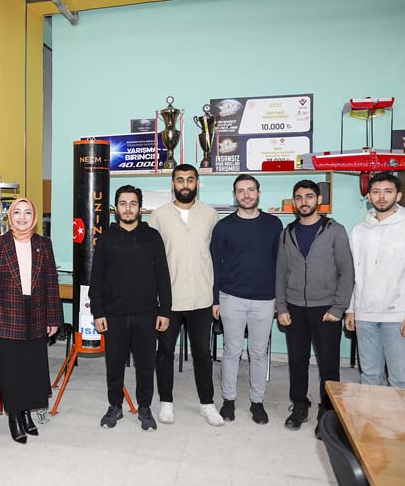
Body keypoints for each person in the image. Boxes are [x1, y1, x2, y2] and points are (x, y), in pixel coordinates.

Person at [89, 185, 171, 431]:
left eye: (133, 203)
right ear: (116, 208)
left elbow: (163, 276)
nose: (128, 208)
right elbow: (96, 278)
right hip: (113, 315)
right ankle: (115, 406)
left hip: (146, 314)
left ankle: (144, 407)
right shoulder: (106, 238)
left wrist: (165, 311)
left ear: (140, 208)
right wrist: (98, 312)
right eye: (123, 203)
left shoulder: (152, 237)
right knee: (114, 366)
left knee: (146, 365)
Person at [0, 198, 62, 444]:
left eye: (27, 212)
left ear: (34, 217)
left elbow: (51, 282)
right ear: (10, 216)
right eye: (17, 212)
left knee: (30, 369)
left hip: (36, 315)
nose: (22, 217)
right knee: (10, 370)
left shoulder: (43, 244)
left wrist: (54, 317)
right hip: (5, 316)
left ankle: (26, 413)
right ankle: (14, 416)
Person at [275, 180, 354, 437]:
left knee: (329, 365)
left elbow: (347, 272)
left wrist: (339, 308)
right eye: (298, 197)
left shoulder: (335, 230)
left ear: (318, 200)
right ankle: (300, 405)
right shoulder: (287, 233)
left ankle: (328, 412)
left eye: (309, 196)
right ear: (294, 202)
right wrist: (281, 307)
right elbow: (281, 272)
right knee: (297, 361)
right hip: (295, 308)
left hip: (326, 309)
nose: (304, 202)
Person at [149, 163, 223, 426]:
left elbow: (216, 256)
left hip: (201, 297)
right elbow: (151, 260)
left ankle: (207, 403)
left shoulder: (210, 215)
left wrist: (216, 297)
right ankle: (166, 402)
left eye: (190, 180)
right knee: (165, 352)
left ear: (197, 183)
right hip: (169, 299)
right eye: (180, 180)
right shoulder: (158, 216)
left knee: (202, 353)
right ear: (173, 184)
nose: (185, 185)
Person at [345, 171, 405, 389]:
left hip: (398, 316)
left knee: (400, 379)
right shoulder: (359, 230)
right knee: (369, 376)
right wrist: (351, 309)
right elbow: (354, 274)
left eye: (388, 191)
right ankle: (371, 413)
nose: (381, 197)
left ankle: (404, 414)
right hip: (365, 314)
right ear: (369, 196)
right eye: (376, 192)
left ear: (398, 196)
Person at [210, 174, 282, 425]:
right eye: (240, 191)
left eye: (250, 190)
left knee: (259, 352)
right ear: (235, 195)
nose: (246, 195)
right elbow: (215, 265)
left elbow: (280, 262)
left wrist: (279, 297)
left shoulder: (273, 224)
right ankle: (228, 400)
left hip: (264, 299)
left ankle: (257, 402)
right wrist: (215, 299)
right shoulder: (224, 227)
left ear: (258, 193)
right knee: (232, 351)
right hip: (231, 298)